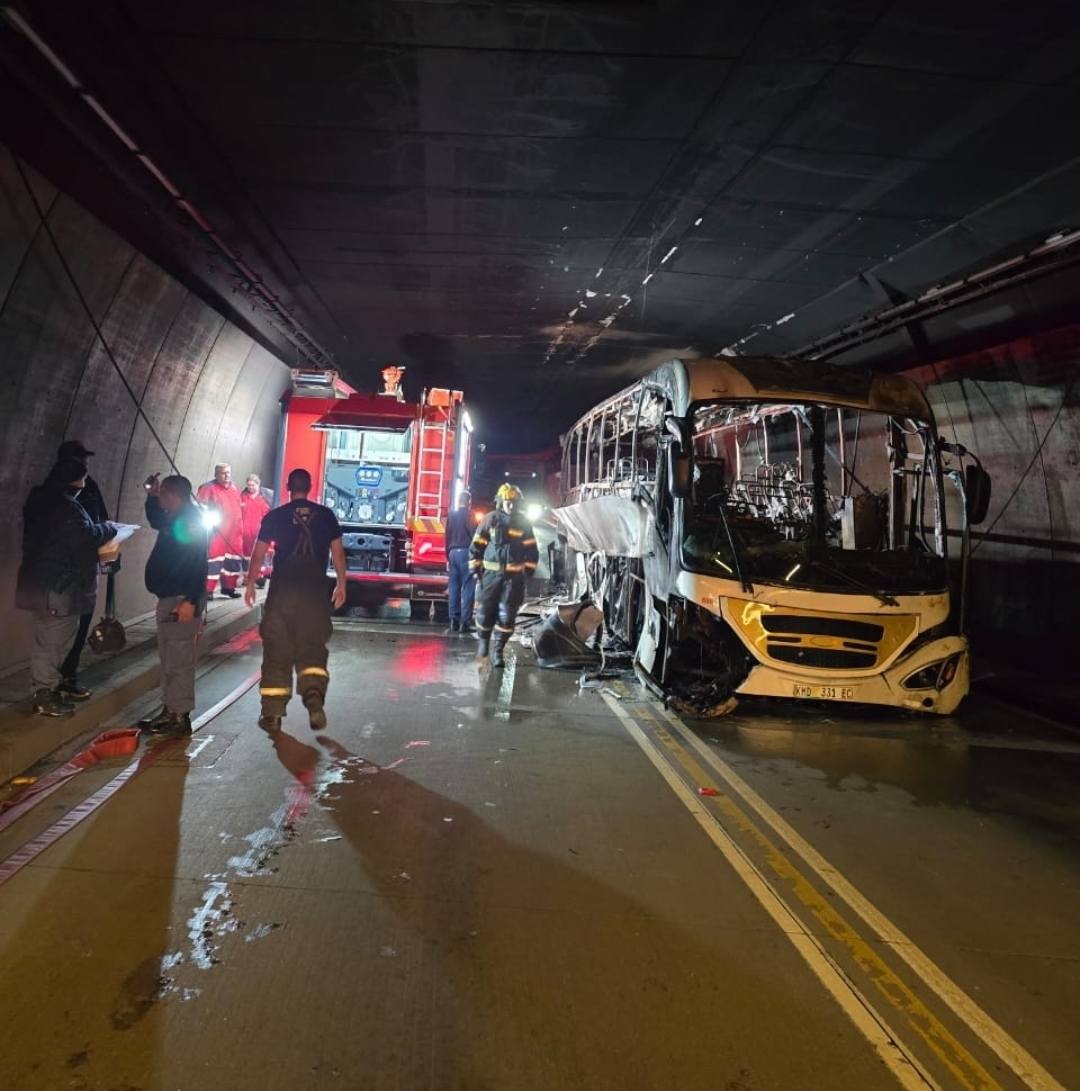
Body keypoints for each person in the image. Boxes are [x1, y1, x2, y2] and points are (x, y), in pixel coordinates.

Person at [245, 468, 347, 732]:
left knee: (277, 652)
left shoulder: (275, 517)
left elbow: (258, 554)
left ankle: (273, 713)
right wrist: (341, 584)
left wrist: (250, 584)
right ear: (310, 487)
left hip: (282, 595)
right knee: (312, 648)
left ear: (288, 486)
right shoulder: (326, 516)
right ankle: (314, 701)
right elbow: (337, 553)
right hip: (314, 596)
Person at [16, 457, 117, 716]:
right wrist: (108, 528)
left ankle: (45, 688)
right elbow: (84, 537)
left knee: (43, 638)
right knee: (53, 641)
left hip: (38, 583)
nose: (84, 485)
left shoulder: (39, 499)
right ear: (73, 480)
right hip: (59, 586)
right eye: (83, 480)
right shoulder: (65, 506)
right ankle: (45, 693)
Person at [139, 474, 209, 736]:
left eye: (163, 495)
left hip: (181, 600)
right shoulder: (177, 517)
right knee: (169, 658)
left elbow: (197, 563)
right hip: (172, 598)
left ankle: (179, 716)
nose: (161, 500)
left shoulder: (190, 522)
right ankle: (170, 711)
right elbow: (157, 519)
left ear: (174, 495)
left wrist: (190, 600)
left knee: (179, 659)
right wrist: (150, 496)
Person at [55, 439, 110, 700]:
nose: (85, 464)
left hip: (85, 567)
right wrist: (107, 532)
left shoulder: (89, 486)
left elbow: (101, 516)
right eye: (80, 459)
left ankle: (68, 673)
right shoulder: (57, 494)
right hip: (66, 572)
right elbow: (88, 529)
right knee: (64, 626)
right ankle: (58, 679)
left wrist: (110, 552)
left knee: (81, 621)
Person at [469, 483, 539, 668]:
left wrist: (529, 570)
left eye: (515, 502)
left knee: (507, 618)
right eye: (508, 502)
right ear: (500, 502)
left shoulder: (524, 523)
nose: (512, 506)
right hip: (490, 577)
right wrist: (475, 569)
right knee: (484, 614)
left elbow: (531, 549)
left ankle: (497, 652)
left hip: (513, 581)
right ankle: (484, 644)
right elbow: (477, 546)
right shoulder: (490, 519)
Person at [196, 463, 243, 598]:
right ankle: (207, 590)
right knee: (213, 560)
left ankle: (229, 587)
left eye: (228, 472)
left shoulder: (234, 488)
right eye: (223, 473)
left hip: (234, 532)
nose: (227, 475)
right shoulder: (208, 488)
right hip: (217, 531)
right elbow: (200, 507)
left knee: (232, 560)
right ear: (216, 474)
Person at [444, 489, 475, 635]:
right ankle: (465, 623)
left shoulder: (451, 515)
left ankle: (453, 621)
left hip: (452, 553)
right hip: (466, 553)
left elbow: (447, 537)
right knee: (468, 588)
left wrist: (447, 557)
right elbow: (474, 536)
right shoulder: (470, 515)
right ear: (469, 502)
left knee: (454, 588)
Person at [240, 472, 271, 576]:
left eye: (253, 485)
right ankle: (245, 575)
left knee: (259, 556)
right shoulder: (242, 497)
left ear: (258, 485)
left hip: (258, 535)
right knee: (244, 557)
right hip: (244, 535)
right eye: (248, 485)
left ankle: (258, 577)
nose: (250, 487)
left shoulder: (265, 499)